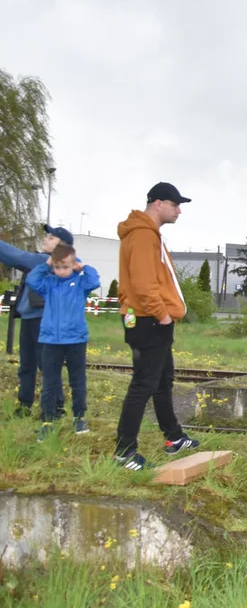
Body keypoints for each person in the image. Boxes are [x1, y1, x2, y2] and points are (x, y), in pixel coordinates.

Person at [113, 182, 199, 471]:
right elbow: (143, 282)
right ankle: (124, 451)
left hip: (152, 319)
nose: (178, 211)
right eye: (176, 205)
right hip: (149, 320)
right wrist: (162, 314)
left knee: (162, 380)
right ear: (159, 203)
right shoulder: (141, 235)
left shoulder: (147, 234)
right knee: (144, 384)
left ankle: (173, 437)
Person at [25, 243, 99, 440]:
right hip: (51, 340)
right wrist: (47, 263)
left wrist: (81, 266)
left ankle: (79, 417)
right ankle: (47, 421)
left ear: (73, 264)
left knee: (78, 380)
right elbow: (32, 280)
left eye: (65, 267)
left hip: (76, 339)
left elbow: (95, 280)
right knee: (49, 382)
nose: (61, 271)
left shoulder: (81, 283)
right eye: (57, 267)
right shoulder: (48, 283)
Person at [0, 225, 73, 417]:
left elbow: (17, 257)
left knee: (46, 365)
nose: (45, 239)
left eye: (51, 237)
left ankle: (55, 408)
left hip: (43, 320)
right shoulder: (43, 260)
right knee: (27, 365)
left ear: (62, 245)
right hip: (29, 318)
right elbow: (12, 258)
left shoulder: (48, 261)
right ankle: (25, 404)